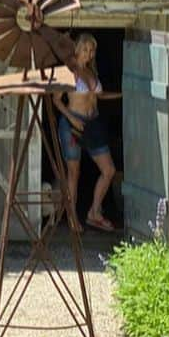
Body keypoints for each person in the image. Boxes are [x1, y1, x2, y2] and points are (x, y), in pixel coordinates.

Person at [54, 32, 120, 232]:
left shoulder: (92, 72)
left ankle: (94, 212)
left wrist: (124, 93)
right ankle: (72, 216)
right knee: (74, 172)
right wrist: (71, 117)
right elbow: (56, 99)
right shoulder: (69, 71)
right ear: (77, 48)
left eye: (92, 51)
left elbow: (98, 96)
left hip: (93, 123)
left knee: (109, 171)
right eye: (85, 49)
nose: (89, 54)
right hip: (73, 125)